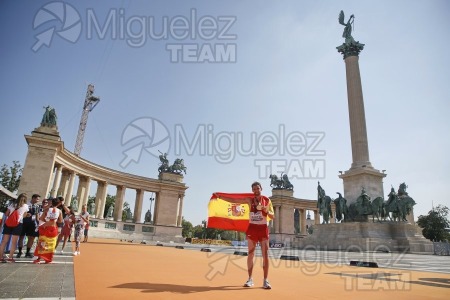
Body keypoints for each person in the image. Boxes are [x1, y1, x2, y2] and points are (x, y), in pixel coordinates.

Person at [214, 181, 274, 289]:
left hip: (263, 229)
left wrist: (265, 210)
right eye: (254, 189)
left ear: (261, 189)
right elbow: (234, 200)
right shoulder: (249, 200)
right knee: (251, 254)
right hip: (252, 229)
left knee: (265, 255)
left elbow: (272, 216)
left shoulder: (267, 200)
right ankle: (250, 279)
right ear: (252, 190)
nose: (256, 190)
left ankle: (266, 280)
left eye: (257, 188)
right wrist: (221, 197)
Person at [33, 198, 63, 264]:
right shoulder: (59, 211)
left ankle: (38, 259)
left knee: (42, 242)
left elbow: (41, 218)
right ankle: (48, 259)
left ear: (52, 202)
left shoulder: (47, 209)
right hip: (53, 228)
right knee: (51, 243)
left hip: (45, 227)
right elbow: (60, 221)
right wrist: (55, 221)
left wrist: (47, 221)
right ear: (58, 204)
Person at [0, 193, 29, 263]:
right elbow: (24, 216)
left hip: (8, 223)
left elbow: (6, 214)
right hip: (18, 224)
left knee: (4, 241)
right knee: (14, 242)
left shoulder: (12, 204)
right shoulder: (25, 206)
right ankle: (10, 257)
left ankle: (0, 257)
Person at [17, 194, 41, 258]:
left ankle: (27, 252)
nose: (38, 200)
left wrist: (38, 223)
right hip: (24, 222)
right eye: (37, 199)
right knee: (21, 237)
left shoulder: (37, 206)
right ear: (33, 198)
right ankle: (19, 251)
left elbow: (37, 215)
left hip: (32, 223)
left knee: (31, 237)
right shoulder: (26, 204)